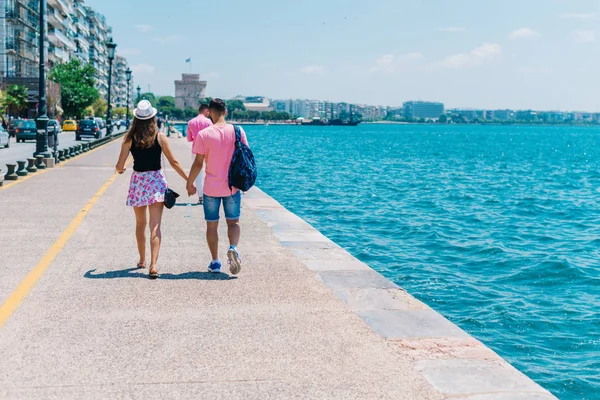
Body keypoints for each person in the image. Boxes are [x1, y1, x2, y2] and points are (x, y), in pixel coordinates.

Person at [116, 100, 189, 279]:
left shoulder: (128, 138)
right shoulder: (160, 137)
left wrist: (122, 168)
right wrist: (189, 180)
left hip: (139, 184)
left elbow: (119, 166)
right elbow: (174, 162)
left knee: (140, 224)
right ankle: (153, 265)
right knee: (155, 226)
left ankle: (141, 259)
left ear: (135, 118)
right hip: (156, 183)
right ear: (153, 118)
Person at [187, 99, 248, 275]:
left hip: (211, 188)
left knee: (212, 225)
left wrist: (190, 182)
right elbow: (245, 155)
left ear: (210, 113)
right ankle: (233, 248)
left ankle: (215, 262)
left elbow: (198, 163)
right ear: (226, 112)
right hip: (232, 187)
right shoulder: (237, 131)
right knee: (233, 222)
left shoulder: (204, 134)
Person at [186, 104, 213, 204]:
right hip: (208, 149)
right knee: (210, 172)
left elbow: (189, 139)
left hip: (196, 149)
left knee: (198, 173)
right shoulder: (208, 122)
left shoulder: (190, 122)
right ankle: (210, 195)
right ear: (206, 111)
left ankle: (200, 197)